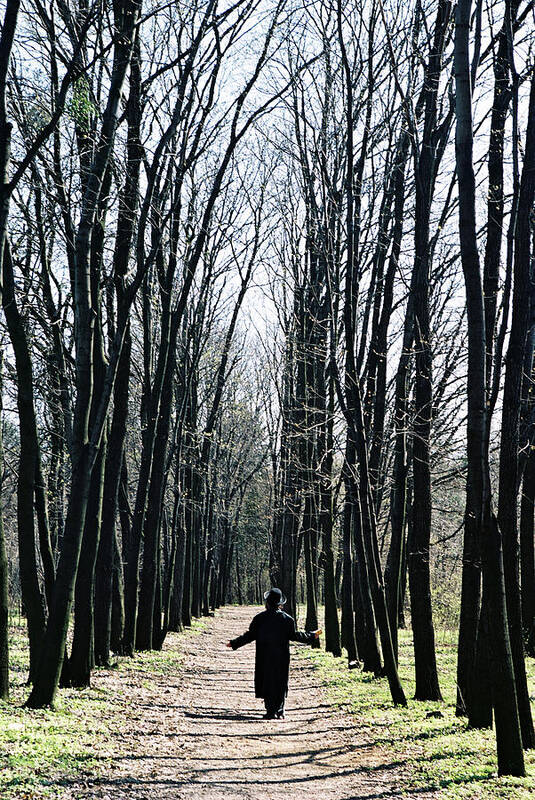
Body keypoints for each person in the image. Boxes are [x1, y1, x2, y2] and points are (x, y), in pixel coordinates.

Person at [226, 588, 322, 719]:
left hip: (264, 656)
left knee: (266, 681)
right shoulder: (287, 619)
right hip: (281, 657)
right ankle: (280, 710)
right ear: (280, 604)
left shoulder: (259, 618)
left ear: (267, 603)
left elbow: (250, 635)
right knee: (280, 681)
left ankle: (270, 711)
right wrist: (312, 636)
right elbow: (295, 636)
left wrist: (234, 643)